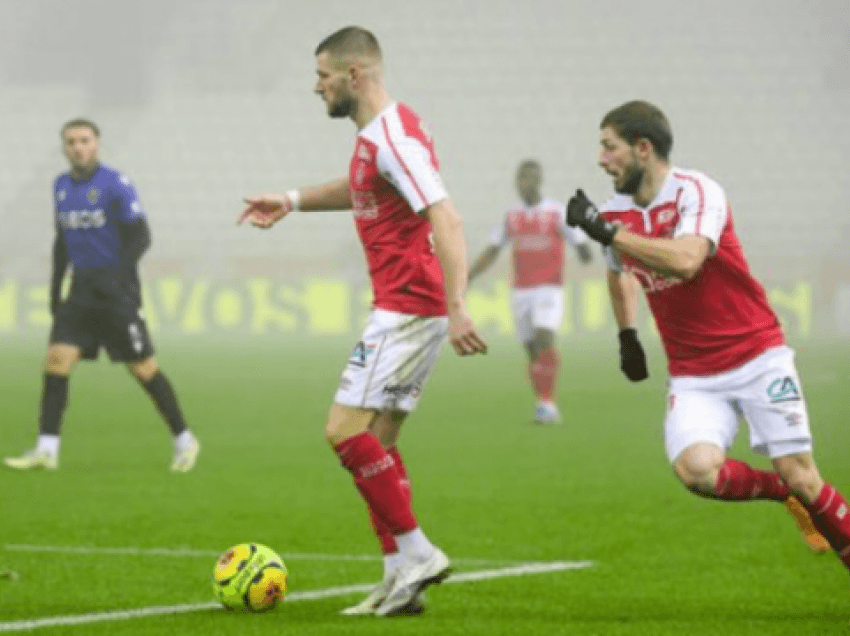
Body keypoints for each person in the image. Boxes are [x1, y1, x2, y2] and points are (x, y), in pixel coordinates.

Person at [238, 26, 488, 616]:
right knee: (379, 442)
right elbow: (363, 191)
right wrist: (292, 200)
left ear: (354, 75)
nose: (315, 86)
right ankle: (400, 576)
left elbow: (446, 217)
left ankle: (418, 551)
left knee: (343, 431)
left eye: (323, 75)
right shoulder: (382, 136)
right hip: (413, 305)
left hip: (406, 307)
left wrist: (458, 307)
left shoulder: (393, 138)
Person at [566, 100, 843, 568]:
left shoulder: (698, 191)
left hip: (757, 355)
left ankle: (803, 498)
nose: (601, 158)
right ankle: (783, 495)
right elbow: (618, 274)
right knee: (697, 472)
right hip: (694, 373)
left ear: (643, 148)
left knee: (804, 476)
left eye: (609, 146)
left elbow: (687, 259)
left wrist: (606, 232)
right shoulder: (615, 213)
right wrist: (627, 335)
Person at [4, 119, 200, 473]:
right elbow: (62, 241)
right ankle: (47, 449)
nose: (78, 147)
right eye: (71, 142)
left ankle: (185, 440)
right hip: (80, 291)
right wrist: (54, 289)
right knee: (56, 361)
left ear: (96, 144)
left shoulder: (115, 184)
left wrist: (117, 274)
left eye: (84, 140)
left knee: (143, 368)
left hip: (116, 292)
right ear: (64, 148)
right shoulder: (60, 186)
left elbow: (141, 237)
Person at [468, 159, 592, 423]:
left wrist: (585, 250)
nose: (524, 183)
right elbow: (493, 249)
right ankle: (542, 401)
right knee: (531, 350)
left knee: (544, 339)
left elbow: (580, 242)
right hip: (521, 290)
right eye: (521, 178)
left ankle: (548, 404)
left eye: (529, 178)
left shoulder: (557, 212)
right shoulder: (511, 216)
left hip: (549, 287)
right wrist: (469, 275)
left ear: (538, 181)